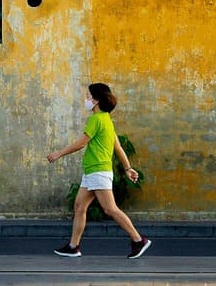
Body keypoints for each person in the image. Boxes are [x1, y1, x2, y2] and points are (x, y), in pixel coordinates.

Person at [47, 82, 151, 259]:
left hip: (98, 171)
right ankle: (73, 246)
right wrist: (127, 168)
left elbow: (81, 143)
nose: (85, 100)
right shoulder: (106, 120)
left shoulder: (96, 120)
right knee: (80, 206)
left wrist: (58, 153)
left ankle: (138, 240)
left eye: (87, 97)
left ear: (95, 101)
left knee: (110, 209)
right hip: (92, 172)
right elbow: (117, 147)